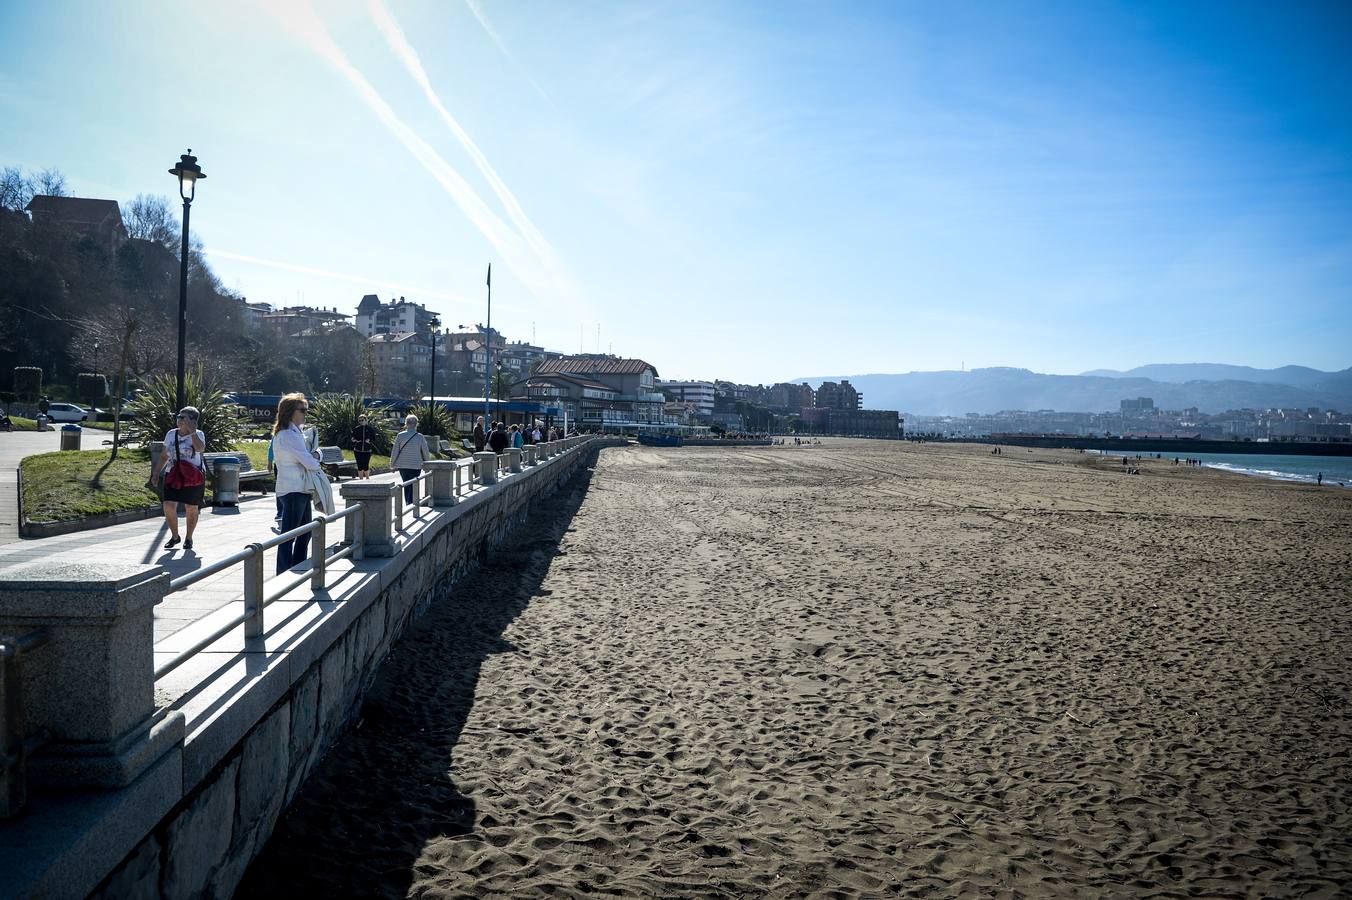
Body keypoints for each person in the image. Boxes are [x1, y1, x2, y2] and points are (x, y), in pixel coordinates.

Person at [273, 393, 322, 573]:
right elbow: (310, 462)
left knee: (305, 532)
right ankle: (284, 572)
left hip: (299, 488)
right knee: (289, 535)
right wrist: (317, 455)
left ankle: (298, 567)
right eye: (302, 410)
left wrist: (315, 455)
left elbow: (311, 458)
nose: (305, 414)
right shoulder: (288, 435)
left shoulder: (295, 433)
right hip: (293, 489)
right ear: (290, 412)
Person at [153, 406, 206, 551]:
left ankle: (189, 538)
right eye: (179, 417)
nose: (179, 420)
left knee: (191, 507)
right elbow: (165, 455)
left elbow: (200, 449)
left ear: (193, 420)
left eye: (183, 418)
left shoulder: (199, 434)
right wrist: (156, 473)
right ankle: (175, 536)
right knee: (168, 505)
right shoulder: (171, 434)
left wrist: (192, 431)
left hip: (193, 476)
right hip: (173, 473)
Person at [390, 414, 429, 504]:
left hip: (403, 465)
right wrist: (427, 464)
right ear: (416, 424)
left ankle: (408, 502)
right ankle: (412, 502)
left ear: (406, 424)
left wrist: (392, 464)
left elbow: (395, 451)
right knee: (413, 484)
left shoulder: (400, 435)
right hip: (416, 465)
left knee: (406, 483)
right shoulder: (420, 437)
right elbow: (425, 452)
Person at [351, 413, 377, 479]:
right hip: (357, 449)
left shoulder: (370, 429)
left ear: (366, 420)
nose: (361, 422)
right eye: (359, 420)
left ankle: (367, 479)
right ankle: (361, 479)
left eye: (362, 420)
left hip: (367, 450)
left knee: (366, 464)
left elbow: (374, 438)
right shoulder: (357, 429)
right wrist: (354, 440)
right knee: (359, 465)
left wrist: (369, 440)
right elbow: (353, 437)